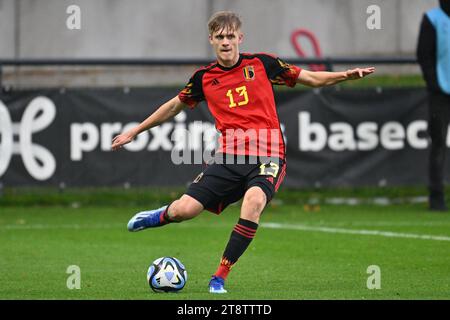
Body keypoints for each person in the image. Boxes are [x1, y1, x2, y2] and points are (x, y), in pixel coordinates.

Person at [111, 11, 374, 293]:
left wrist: (344, 75)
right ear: (211, 40)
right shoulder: (204, 78)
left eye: (231, 36)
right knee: (184, 210)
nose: (226, 41)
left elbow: (310, 78)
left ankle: (219, 276)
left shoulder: (262, 64)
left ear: (240, 37)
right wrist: (135, 131)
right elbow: (174, 106)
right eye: (220, 37)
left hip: (269, 154)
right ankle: (163, 215)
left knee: (253, 201)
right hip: (230, 157)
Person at [417, 0, 450, 212]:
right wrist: (434, 84)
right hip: (441, 94)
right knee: (438, 143)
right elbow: (423, 54)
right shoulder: (432, 19)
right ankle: (436, 198)